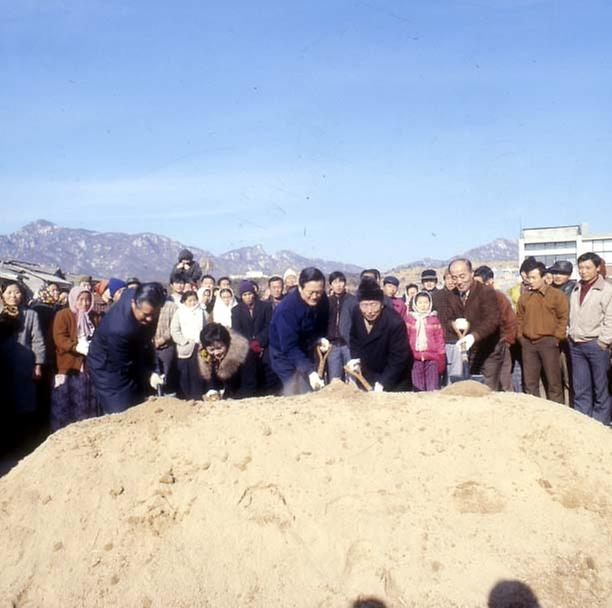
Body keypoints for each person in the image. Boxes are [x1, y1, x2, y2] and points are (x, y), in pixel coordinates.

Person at [87, 282, 166, 414]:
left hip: (133, 349)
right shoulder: (119, 329)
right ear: (134, 303)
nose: (149, 318)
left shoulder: (137, 294)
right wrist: (148, 374)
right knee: (122, 408)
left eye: (154, 314)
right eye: (145, 314)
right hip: (108, 365)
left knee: (139, 399)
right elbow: (124, 364)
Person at [269, 267, 329, 395]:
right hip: (284, 354)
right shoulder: (287, 310)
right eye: (311, 292)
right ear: (300, 288)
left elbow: (321, 322)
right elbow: (289, 347)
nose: (315, 296)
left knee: (312, 389)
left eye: (319, 292)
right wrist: (309, 371)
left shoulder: (322, 299)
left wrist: (320, 338)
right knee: (298, 391)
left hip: (305, 349)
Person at [568, 252, 612, 425]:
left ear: (597, 268)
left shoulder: (606, 289)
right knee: (581, 388)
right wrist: (569, 332)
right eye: (581, 268)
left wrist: (603, 341)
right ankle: (583, 422)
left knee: (600, 387)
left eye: (588, 268)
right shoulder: (576, 288)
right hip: (576, 344)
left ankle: (600, 423)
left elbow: (610, 318)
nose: (583, 271)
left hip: (596, 344)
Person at [516, 262, 568, 403]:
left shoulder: (557, 296)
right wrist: (521, 337)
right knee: (530, 383)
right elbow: (519, 318)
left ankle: (558, 413)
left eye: (533, 278)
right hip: (528, 344)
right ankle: (534, 413)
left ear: (544, 277)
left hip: (549, 343)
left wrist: (557, 338)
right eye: (528, 278)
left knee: (554, 382)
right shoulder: (525, 297)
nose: (530, 281)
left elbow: (563, 318)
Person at [445, 259, 501, 388]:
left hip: (489, 349)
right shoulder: (452, 295)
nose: (459, 281)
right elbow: (447, 319)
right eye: (454, 277)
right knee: (471, 388)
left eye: (462, 276)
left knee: (487, 388)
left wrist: (473, 336)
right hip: (469, 351)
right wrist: (454, 324)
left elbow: (492, 320)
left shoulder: (485, 292)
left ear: (471, 273)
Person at [348, 279, 410, 392]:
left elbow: (399, 357)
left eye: (374, 305)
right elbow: (354, 339)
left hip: (394, 378)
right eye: (365, 305)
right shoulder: (356, 313)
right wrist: (355, 359)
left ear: (382, 304)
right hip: (368, 374)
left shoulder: (395, 322)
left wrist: (384, 382)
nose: (370, 311)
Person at [50, 286, 99, 430]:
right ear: (73, 300)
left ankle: (84, 431)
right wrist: (76, 346)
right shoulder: (63, 315)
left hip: (87, 367)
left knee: (84, 403)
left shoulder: (93, 316)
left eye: (88, 300)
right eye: (81, 300)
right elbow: (59, 337)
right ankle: (61, 434)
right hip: (67, 367)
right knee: (64, 403)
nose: (85, 304)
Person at [0, 281, 46, 417]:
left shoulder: (31, 315)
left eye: (17, 292)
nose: (13, 296)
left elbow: (37, 340)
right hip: (3, 363)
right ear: (2, 295)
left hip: (24, 364)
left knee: (24, 402)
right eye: (9, 292)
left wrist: (38, 365)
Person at [231, 280, 279, 395]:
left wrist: (259, 341)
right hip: (246, 345)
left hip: (265, 343)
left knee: (268, 365)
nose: (248, 297)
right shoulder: (236, 311)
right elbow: (237, 330)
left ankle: (270, 392)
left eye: (250, 294)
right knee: (249, 368)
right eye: (245, 295)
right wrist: (249, 343)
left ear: (254, 293)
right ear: (241, 296)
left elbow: (269, 326)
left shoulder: (265, 307)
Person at [474, 265, 517, 391]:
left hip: (500, 343)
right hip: (483, 346)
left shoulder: (498, 297)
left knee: (501, 383)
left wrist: (507, 341)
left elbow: (510, 321)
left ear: (490, 282)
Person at [197, 322, 254, 399]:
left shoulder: (243, 354)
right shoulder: (206, 356)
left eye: (219, 348)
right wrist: (213, 391)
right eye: (211, 349)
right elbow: (212, 380)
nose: (216, 353)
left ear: (227, 343)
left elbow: (250, 386)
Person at [405, 291, 445, 391]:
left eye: (426, 302)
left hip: (432, 358)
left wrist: (441, 356)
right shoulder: (409, 319)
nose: (423, 305)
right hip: (414, 358)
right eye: (420, 303)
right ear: (415, 304)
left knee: (432, 388)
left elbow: (439, 340)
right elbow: (405, 338)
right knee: (418, 388)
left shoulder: (434, 319)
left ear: (430, 303)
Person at [171, 290, 206, 400]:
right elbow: (174, 330)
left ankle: (197, 396)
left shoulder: (202, 312)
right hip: (185, 347)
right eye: (189, 300)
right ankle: (184, 397)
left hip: (199, 346)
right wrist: (183, 341)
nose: (192, 303)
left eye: (194, 300)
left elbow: (207, 327)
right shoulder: (179, 312)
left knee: (198, 372)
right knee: (184, 373)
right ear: (184, 301)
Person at [326, 271, 358, 381]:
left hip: (349, 345)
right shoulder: (326, 301)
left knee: (353, 378)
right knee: (335, 381)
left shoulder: (353, 301)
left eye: (341, 282)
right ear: (331, 285)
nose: (338, 285)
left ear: (345, 284)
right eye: (335, 282)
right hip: (332, 345)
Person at [154, 286, 179, 397]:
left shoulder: (172, 307)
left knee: (167, 373)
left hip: (167, 346)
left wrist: (162, 339)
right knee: (154, 374)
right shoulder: (150, 306)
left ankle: (169, 396)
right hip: (151, 346)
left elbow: (174, 327)